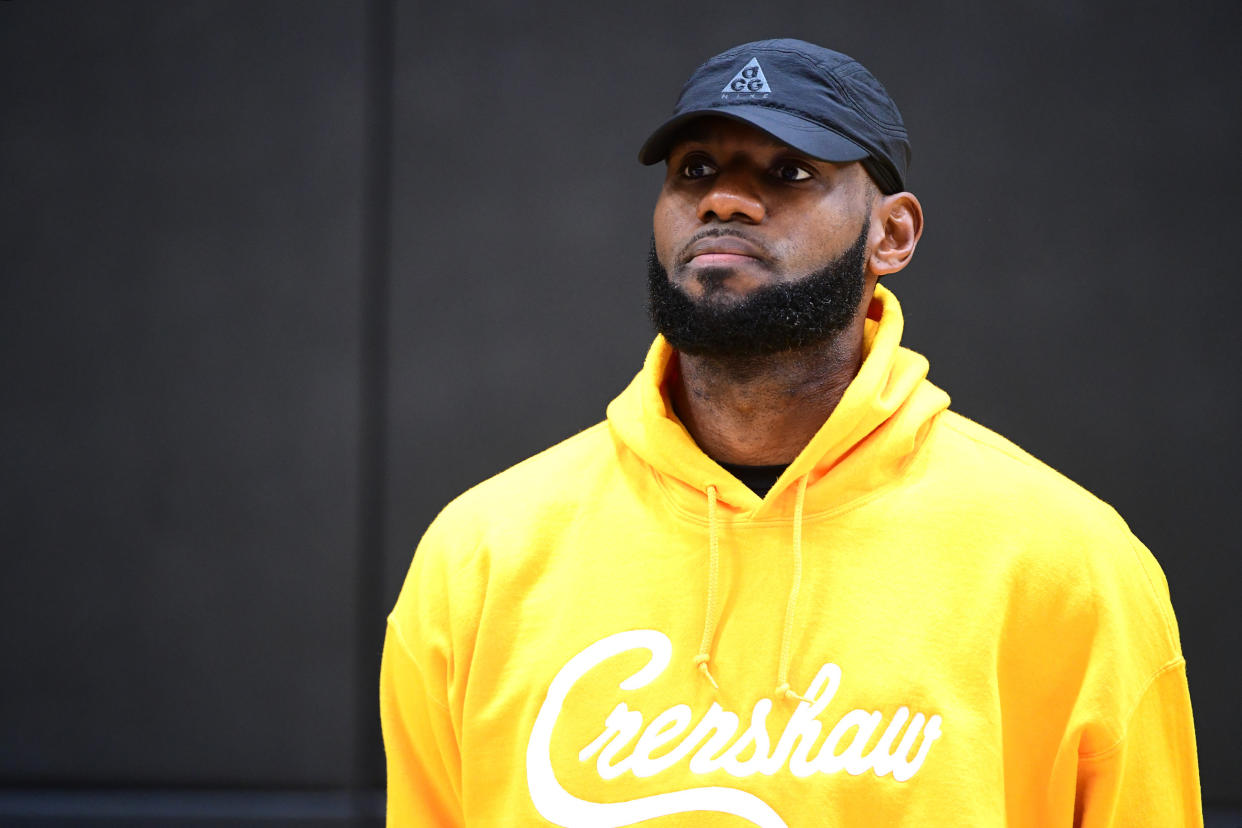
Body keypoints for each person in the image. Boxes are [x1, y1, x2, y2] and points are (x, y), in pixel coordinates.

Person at [381, 39, 1202, 827]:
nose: (724, 199)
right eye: (695, 169)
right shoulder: (480, 557)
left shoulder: (1068, 562)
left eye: (791, 171)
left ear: (894, 234)